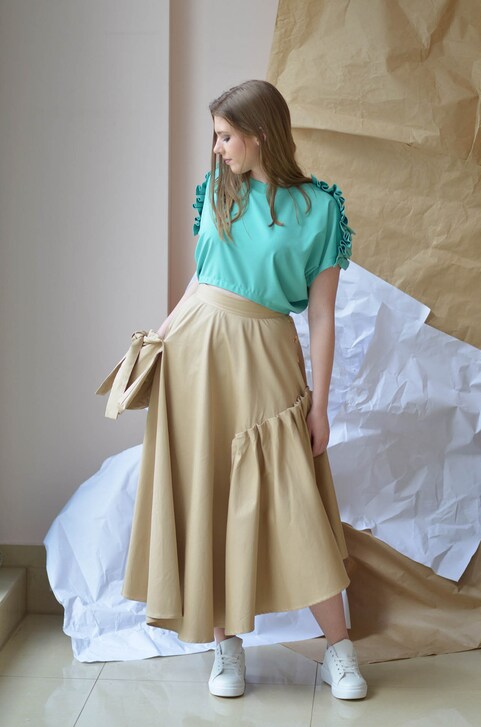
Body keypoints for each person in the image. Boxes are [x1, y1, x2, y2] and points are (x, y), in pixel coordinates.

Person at [99, 79, 367, 701]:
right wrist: (157, 340)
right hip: (195, 358)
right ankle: (226, 646)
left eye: (224, 136)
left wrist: (321, 405)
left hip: (267, 353)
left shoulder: (320, 208)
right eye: (215, 136)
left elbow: (322, 316)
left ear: (260, 134)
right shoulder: (219, 189)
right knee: (210, 495)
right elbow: (200, 279)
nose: (217, 148)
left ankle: (340, 649)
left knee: (294, 500)